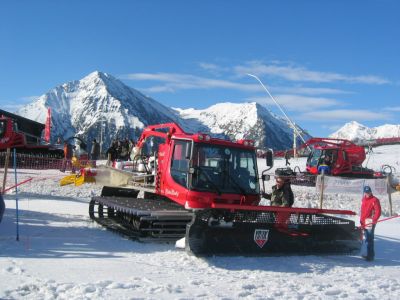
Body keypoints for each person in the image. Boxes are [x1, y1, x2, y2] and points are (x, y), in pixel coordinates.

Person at [360, 185, 381, 261]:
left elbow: (378, 212)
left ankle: (370, 256)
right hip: (364, 222)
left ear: (371, 192)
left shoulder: (375, 200)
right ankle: (369, 254)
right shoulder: (363, 199)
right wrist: (361, 221)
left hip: (370, 222)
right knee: (366, 239)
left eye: (368, 192)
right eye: (366, 192)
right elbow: (362, 211)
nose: (367, 194)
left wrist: (373, 220)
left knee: (369, 239)